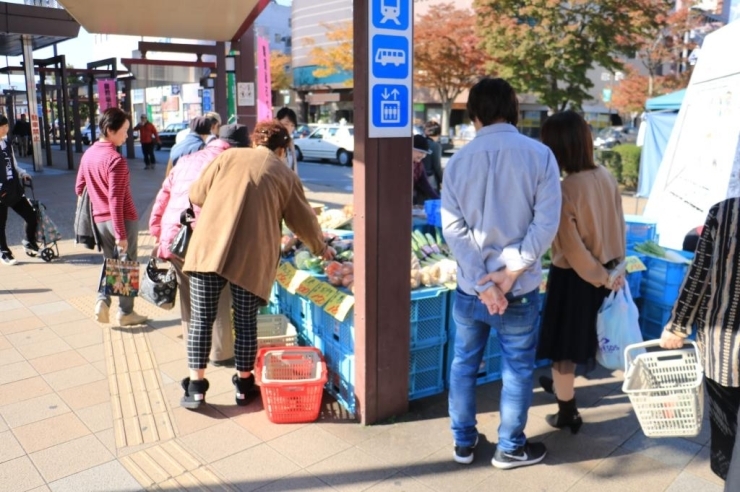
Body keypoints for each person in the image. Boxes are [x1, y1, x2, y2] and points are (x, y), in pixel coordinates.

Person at [442, 77, 561, 469]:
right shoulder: (540, 155)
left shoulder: (457, 161)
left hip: (470, 290)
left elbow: (453, 229)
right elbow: (545, 224)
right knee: (517, 369)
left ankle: (463, 443)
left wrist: (483, 283)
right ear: (513, 109)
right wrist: (509, 274)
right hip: (520, 287)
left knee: (463, 364)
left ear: (473, 113)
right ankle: (510, 448)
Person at [179, 120, 334, 409]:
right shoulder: (284, 175)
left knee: (202, 320)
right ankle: (243, 386)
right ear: (282, 149)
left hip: (209, 248)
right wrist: (320, 247)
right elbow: (302, 221)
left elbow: (197, 194)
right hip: (251, 258)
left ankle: (196, 388)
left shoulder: (226, 156)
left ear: (254, 141)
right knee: (246, 322)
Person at [535, 111, 626, 434]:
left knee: (564, 350)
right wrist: (614, 271)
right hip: (607, 271)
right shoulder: (605, 175)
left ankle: (567, 412)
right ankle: (564, 391)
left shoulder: (565, 189)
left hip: (576, 279)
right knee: (583, 341)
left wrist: (600, 275)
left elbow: (572, 251)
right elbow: (619, 224)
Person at [661, 198, 740, 491]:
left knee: (727, 431)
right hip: (725, 347)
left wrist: (678, 325)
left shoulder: (725, 212)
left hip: (725, 349)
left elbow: (700, 274)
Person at [150, 137, 239, 366]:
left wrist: (156, 229)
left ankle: (194, 347)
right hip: (203, 239)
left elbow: (163, 196)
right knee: (218, 296)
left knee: (188, 296)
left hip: (174, 237)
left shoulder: (185, 160)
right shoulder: (226, 163)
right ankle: (220, 353)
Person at [75, 108, 147, 327]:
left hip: (99, 219)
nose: (127, 135)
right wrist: (121, 234)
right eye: (124, 131)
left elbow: (79, 187)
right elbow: (116, 200)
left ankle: (102, 301)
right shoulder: (116, 160)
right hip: (122, 220)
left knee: (110, 263)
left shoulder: (88, 154)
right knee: (126, 264)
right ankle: (126, 312)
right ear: (110, 130)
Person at [0, 115, 38, 266]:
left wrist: (23, 173)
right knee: (1, 224)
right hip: (1, 191)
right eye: (5, 126)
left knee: (31, 215)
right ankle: (4, 252)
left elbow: (14, 164)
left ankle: (29, 241)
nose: (7, 128)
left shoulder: (6, 143)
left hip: (13, 188)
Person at [412, 134, 439, 206]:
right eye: (421, 152)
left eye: (425, 153)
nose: (423, 156)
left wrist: (438, 200)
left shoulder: (419, 165)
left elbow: (425, 184)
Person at [422, 121, 444, 193]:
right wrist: (442, 180)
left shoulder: (419, 142)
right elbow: (437, 166)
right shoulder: (435, 146)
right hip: (430, 181)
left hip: (418, 180)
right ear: (438, 134)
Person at [276, 107, 298, 173]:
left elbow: (294, 167)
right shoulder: (273, 142)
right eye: (286, 124)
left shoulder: (290, 142)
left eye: (292, 125)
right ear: (277, 121)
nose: (289, 128)